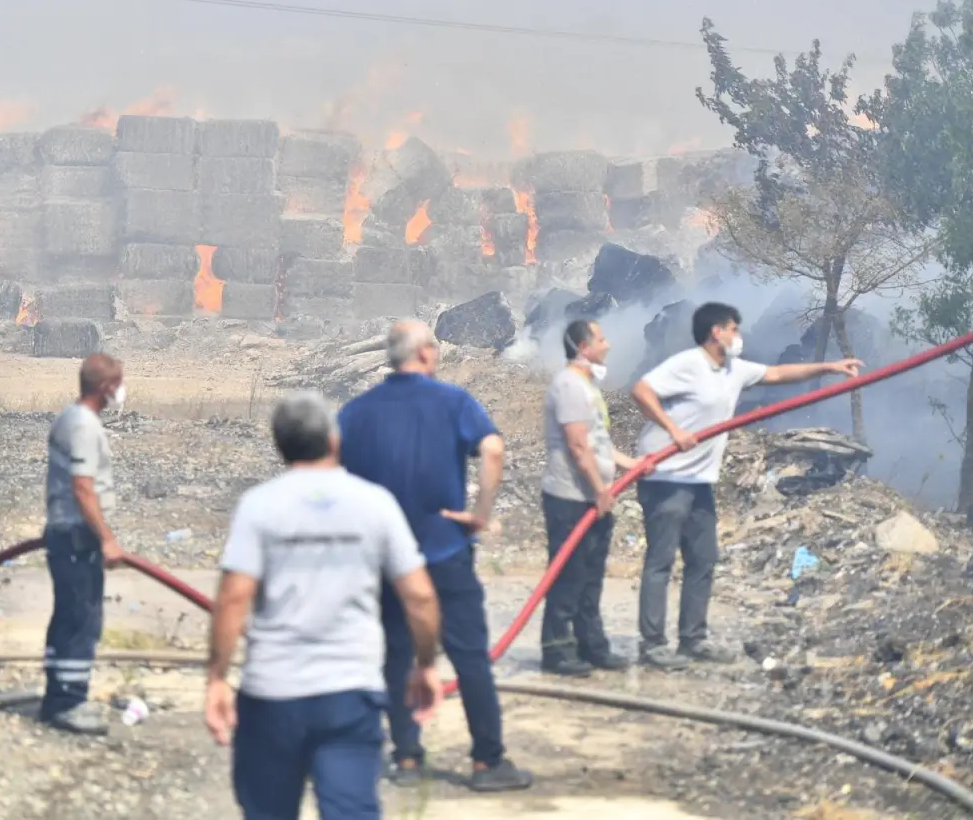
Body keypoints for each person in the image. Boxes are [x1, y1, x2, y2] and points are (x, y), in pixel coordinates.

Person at [204, 390, 443, 820]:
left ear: (280, 447)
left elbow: (233, 598)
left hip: (273, 693)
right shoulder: (375, 503)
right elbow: (421, 596)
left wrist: (217, 678)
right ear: (334, 440)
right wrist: (426, 664)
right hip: (350, 695)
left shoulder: (260, 506)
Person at [337, 319, 533, 793]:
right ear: (424, 353)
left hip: (386, 559)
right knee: (470, 656)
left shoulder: (355, 412)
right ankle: (487, 763)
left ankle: (406, 757)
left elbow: (333, 475)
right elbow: (492, 449)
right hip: (445, 549)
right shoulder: (453, 402)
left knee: (396, 653)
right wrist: (480, 513)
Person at [631, 302, 863, 670]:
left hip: (699, 480)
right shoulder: (688, 364)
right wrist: (674, 431)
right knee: (661, 560)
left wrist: (831, 367)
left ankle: (693, 639)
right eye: (734, 328)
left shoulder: (734, 370)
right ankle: (653, 644)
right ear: (715, 333)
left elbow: (778, 374)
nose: (739, 335)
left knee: (703, 558)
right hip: (665, 475)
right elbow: (642, 391)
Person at [539, 319, 649, 677]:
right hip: (572, 497)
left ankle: (592, 645)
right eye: (601, 339)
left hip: (592, 498)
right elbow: (577, 445)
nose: (608, 345)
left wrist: (629, 464)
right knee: (569, 574)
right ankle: (557, 651)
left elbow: (598, 441)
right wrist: (600, 490)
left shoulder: (587, 385)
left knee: (591, 576)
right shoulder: (570, 385)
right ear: (584, 347)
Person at [39, 353, 129, 734]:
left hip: (67, 534)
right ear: (107, 387)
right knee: (81, 621)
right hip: (77, 536)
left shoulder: (69, 417)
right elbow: (82, 487)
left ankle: (57, 696)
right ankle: (68, 703)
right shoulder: (84, 426)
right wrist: (107, 538)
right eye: (119, 382)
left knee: (69, 618)